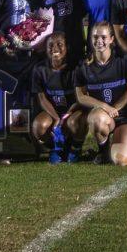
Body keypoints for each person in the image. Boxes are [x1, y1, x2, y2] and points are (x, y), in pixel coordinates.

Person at [74, 22, 127, 165]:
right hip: (102, 115)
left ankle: (115, 144)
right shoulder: (84, 65)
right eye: (95, 37)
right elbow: (81, 96)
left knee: (121, 160)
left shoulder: (124, 60)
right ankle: (103, 151)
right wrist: (105, 106)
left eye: (103, 37)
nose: (99, 41)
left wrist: (115, 108)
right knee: (98, 119)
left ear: (111, 39)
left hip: (123, 116)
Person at [30, 33, 83, 163]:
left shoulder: (76, 68)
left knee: (73, 122)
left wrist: (65, 117)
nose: (55, 48)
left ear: (67, 47)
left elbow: (80, 98)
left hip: (73, 110)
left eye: (60, 44)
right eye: (51, 45)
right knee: (39, 126)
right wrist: (56, 118)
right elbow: (42, 98)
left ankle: (75, 147)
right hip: (54, 112)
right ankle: (57, 147)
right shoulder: (39, 69)